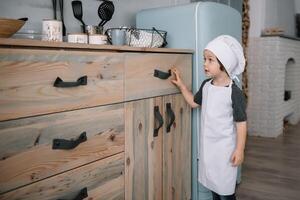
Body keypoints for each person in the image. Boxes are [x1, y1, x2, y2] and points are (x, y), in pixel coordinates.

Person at [171, 35, 247, 200]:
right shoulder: (206, 86)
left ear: (224, 63)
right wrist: (182, 85)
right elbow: (193, 102)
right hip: (209, 149)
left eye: (210, 60)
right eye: (205, 59)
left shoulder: (234, 92)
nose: (205, 63)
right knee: (214, 186)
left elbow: (241, 124)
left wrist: (239, 150)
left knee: (225, 191)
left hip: (225, 151)